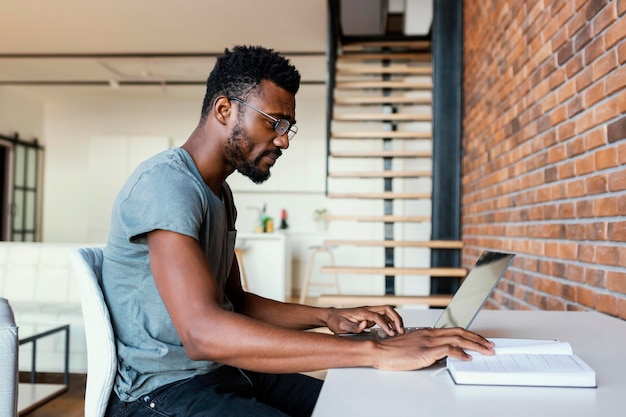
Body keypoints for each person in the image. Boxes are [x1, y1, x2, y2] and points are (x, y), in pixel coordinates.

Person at [101, 45, 494, 417]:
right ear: (224, 109)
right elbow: (203, 333)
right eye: (274, 122)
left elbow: (234, 302)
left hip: (221, 372)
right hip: (161, 394)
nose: (284, 139)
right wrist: (374, 351)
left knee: (362, 403)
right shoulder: (166, 185)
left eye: (289, 125)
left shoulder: (219, 194)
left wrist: (329, 315)